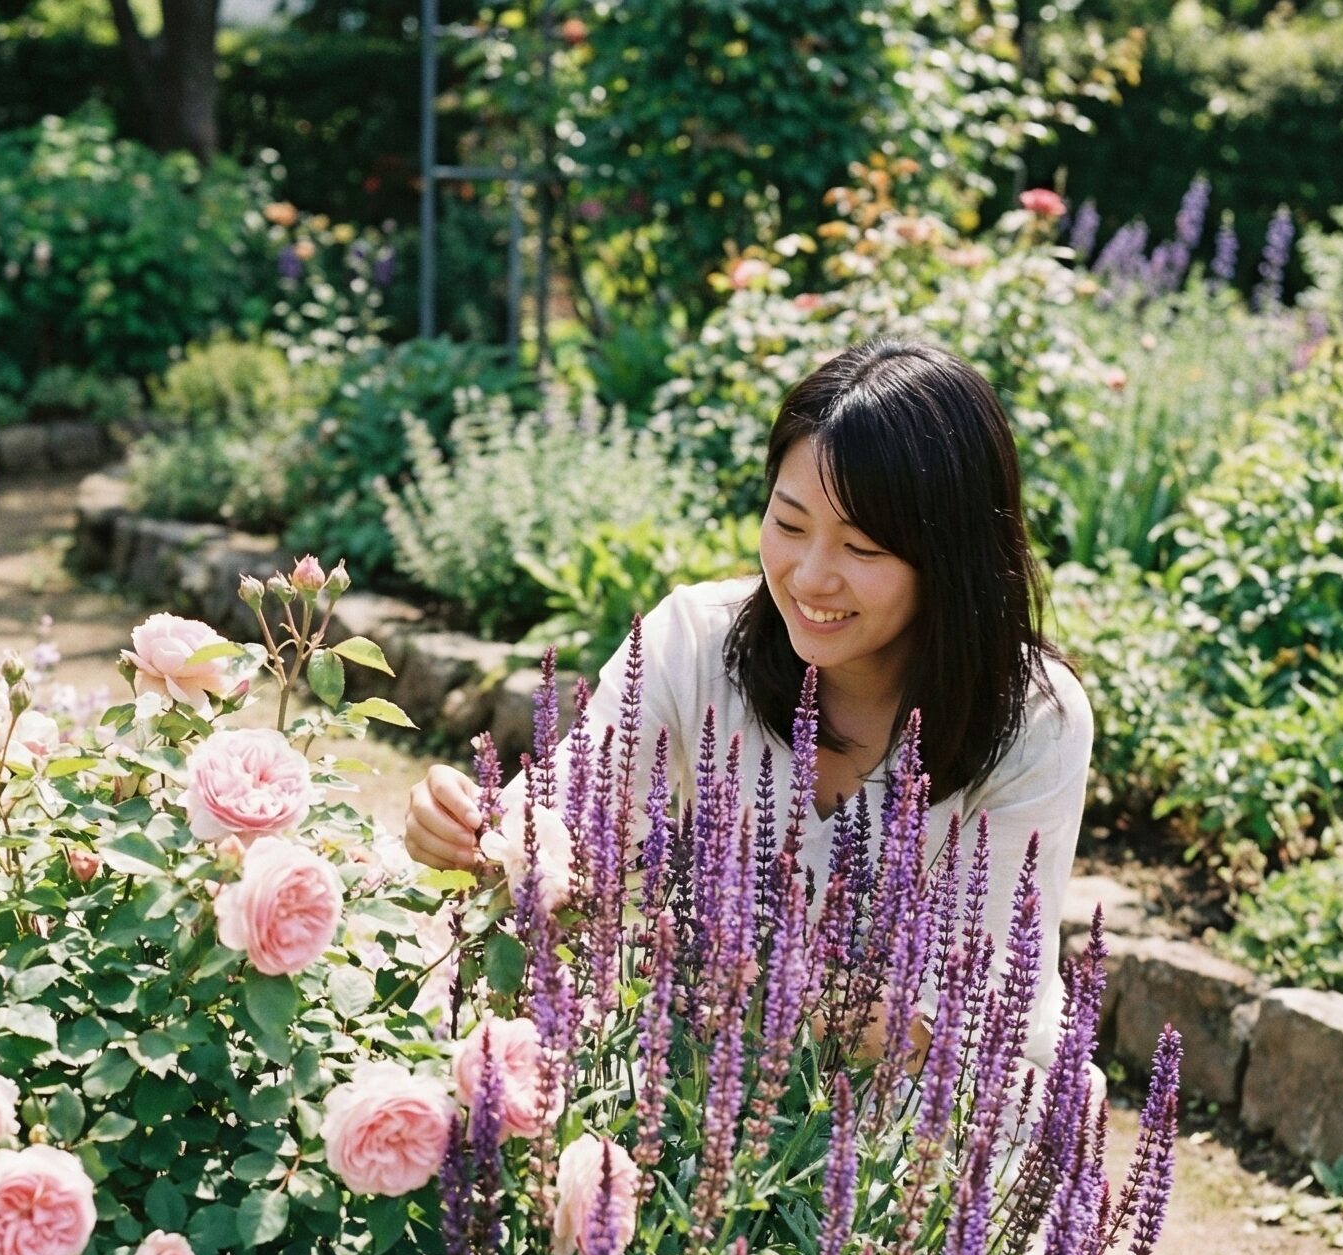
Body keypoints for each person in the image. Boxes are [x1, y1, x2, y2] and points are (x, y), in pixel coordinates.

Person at [403, 334, 1094, 1070]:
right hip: (722, 1071)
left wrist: (717, 971)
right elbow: (563, 819)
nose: (810, 577)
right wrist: (478, 837)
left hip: (942, 1116)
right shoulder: (695, 641)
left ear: (949, 561)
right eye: (789, 524)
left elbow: (949, 1018)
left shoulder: (1032, 721)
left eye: (862, 550)